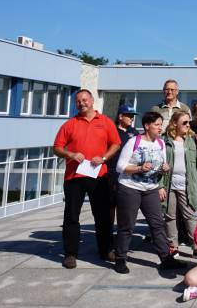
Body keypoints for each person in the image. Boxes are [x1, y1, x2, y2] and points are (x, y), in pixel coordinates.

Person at [53, 89, 121, 269]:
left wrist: (104, 158)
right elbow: (57, 147)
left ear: (92, 101)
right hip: (74, 176)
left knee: (103, 216)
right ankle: (70, 254)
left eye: (84, 100)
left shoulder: (105, 122)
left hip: (99, 176)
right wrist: (71, 154)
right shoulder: (69, 124)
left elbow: (116, 143)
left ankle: (106, 250)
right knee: (71, 216)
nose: (81, 103)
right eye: (78, 101)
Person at [113, 110, 182, 274]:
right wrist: (138, 168)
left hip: (150, 189)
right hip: (129, 187)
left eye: (161, 124)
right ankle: (120, 259)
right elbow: (120, 167)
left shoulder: (160, 144)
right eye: (157, 125)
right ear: (147, 126)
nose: (160, 128)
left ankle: (166, 259)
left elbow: (160, 166)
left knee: (157, 225)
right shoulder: (134, 142)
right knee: (127, 226)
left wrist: (164, 168)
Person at [162, 109, 197, 256]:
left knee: (191, 215)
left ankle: (196, 246)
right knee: (170, 216)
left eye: (189, 122)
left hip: (187, 185)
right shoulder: (165, 140)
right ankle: (172, 245)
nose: (189, 125)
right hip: (169, 184)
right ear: (175, 123)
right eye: (185, 122)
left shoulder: (191, 140)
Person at [106, 103, 138, 224]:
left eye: (133, 116)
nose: (132, 118)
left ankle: (122, 235)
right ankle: (108, 235)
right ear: (120, 116)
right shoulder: (111, 131)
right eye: (129, 115)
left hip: (127, 175)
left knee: (125, 207)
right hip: (112, 173)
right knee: (110, 205)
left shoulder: (134, 133)